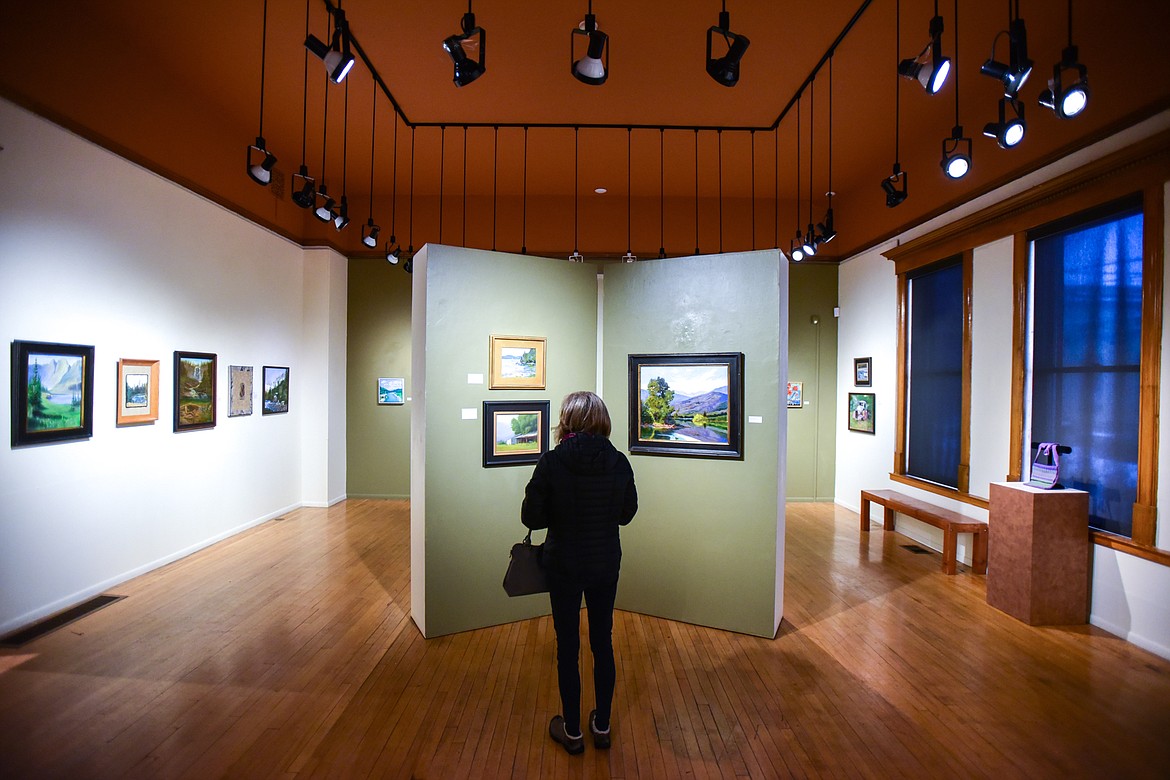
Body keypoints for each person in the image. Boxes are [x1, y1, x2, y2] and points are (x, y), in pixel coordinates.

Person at [521, 391, 638, 755]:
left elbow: (531, 518)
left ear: (567, 420)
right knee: (603, 643)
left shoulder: (552, 462)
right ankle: (601, 726)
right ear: (602, 421)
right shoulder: (618, 462)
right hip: (605, 563)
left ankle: (572, 732)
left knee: (567, 646)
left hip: (564, 565)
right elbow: (627, 513)